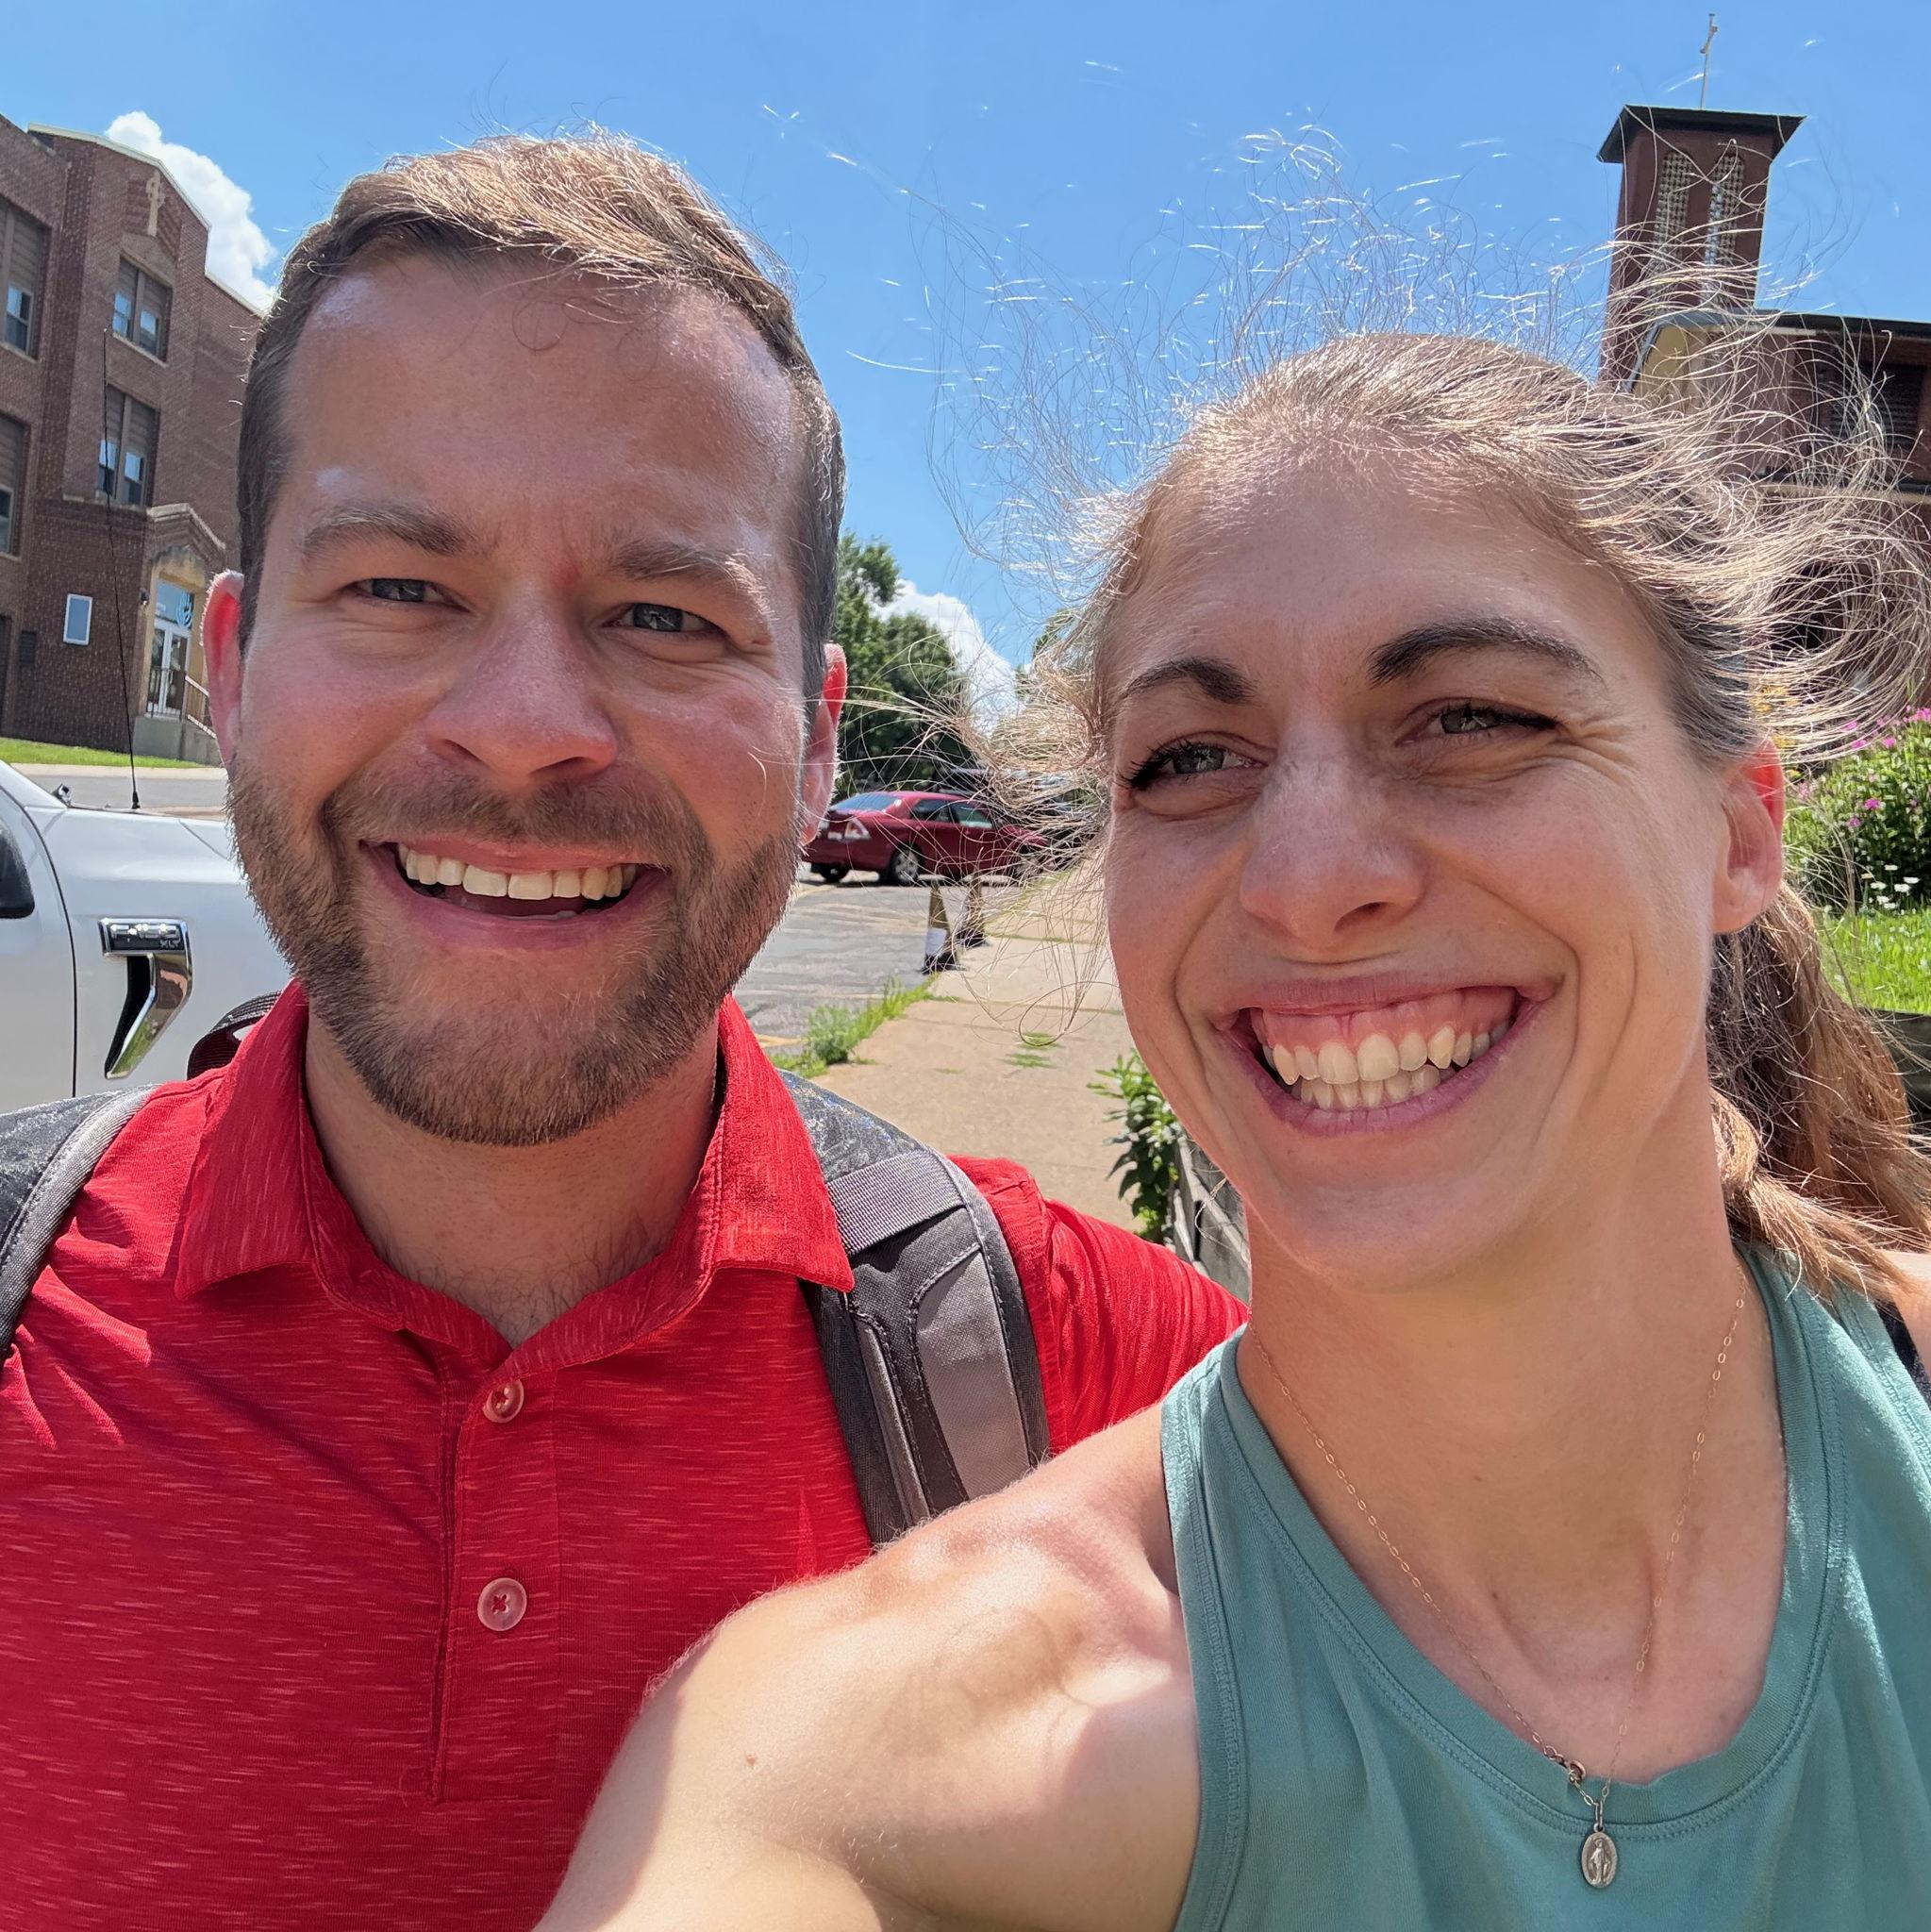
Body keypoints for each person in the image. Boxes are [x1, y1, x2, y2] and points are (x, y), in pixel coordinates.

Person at [0, 135, 1242, 1931]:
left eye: (664, 616)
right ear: (238, 666)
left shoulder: (1107, 1386)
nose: (523, 726)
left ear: (818, 740)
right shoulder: (24, 1307)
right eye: (399, 588)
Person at [541, 329, 1931, 1931]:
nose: (1307, 880)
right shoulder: (862, 1779)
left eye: (1472, 719)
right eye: (1191, 761)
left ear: (1740, 831)